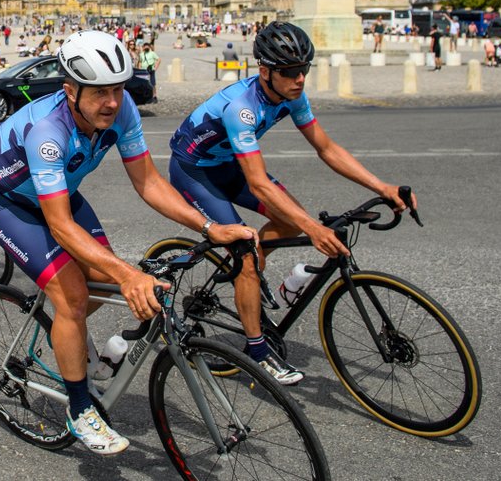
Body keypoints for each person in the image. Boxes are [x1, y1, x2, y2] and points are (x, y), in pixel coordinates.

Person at [0, 31, 254, 455]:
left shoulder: (123, 113)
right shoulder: (48, 131)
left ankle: (67, 336)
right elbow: (62, 228)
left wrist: (209, 227)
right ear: (70, 90)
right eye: (100, 91)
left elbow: (150, 182)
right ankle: (80, 410)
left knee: (95, 285)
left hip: (56, 192)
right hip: (2, 198)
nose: (112, 102)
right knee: (73, 297)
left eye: (118, 89)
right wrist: (126, 274)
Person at [168, 21, 417, 385]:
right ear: (265, 71)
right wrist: (313, 228)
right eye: (289, 72)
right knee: (248, 250)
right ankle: (256, 350)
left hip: (230, 165)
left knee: (288, 222)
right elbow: (259, 184)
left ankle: (249, 278)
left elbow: (326, 148)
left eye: (304, 69)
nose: (299, 79)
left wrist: (382, 186)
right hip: (195, 171)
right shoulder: (242, 108)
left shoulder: (293, 95)